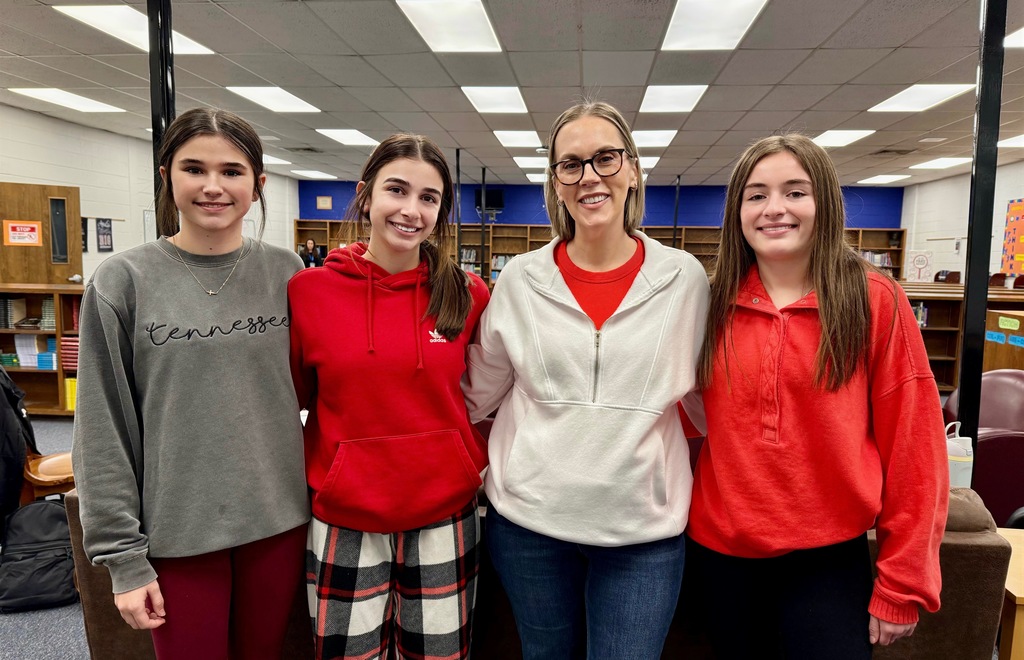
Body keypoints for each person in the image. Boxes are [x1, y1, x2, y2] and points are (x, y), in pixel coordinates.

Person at [461, 101, 710, 659]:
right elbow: (477, 391)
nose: (589, 176)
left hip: (643, 534)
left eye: (605, 158)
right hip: (528, 526)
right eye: (571, 164)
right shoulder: (521, 278)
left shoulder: (684, 279)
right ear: (556, 182)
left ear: (633, 170)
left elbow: (708, 402)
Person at [687, 134, 948, 659]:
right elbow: (683, 419)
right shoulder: (709, 302)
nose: (774, 208)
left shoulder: (873, 299)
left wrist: (904, 581)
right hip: (720, 557)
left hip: (827, 560)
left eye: (795, 192)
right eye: (756, 195)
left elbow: (915, 446)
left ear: (823, 201)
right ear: (737, 211)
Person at [71, 108, 309, 659]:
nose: (212, 186)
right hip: (176, 532)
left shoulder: (288, 273)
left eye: (232, 171)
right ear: (166, 176)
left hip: (277, 523)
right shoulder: (122, 280)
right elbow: (101, 428)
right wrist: (122, 557)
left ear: (258, 185)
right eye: (194, 169)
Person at [289, 134, 490, 660]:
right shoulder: (309, 292)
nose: (411, 210)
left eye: (429, 198)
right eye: (396, 190)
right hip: (345, 513)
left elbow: (485, 397)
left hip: (444, 512)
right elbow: (296, 399)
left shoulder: (468, 294)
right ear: (365, 195)